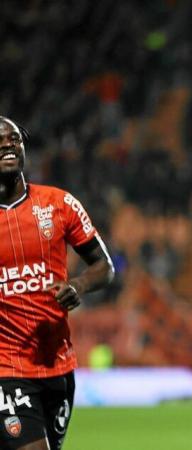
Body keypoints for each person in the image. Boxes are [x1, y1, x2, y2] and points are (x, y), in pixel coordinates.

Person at [0, 116, 115, 450]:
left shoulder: (59, 204)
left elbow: (103, 266)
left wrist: (78, 285)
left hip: (59, 365)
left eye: (14, 141)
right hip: (6, 366)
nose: (9, 147)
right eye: (0, 143)